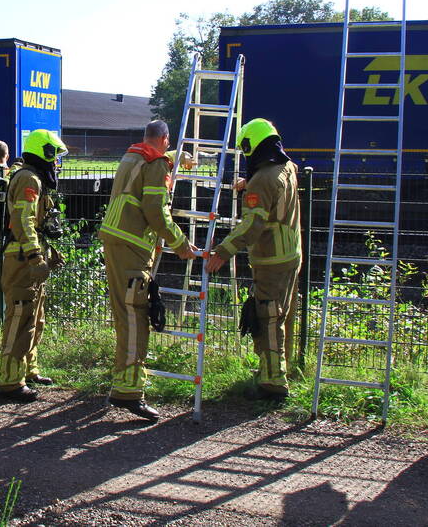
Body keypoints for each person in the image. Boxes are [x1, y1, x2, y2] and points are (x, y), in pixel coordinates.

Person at [100, 120, 197, 421]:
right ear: (165, 139)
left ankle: (123, 382)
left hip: (117, 241)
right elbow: (156, 211)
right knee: (135, 317)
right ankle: (128, 392)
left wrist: (178, 158)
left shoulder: (132, 156)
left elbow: (149, 169)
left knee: (124, 314)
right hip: (132, 247)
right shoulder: (156, 164)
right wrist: (180, 243)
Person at [205, 118, 301, 403]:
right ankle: (279, 368)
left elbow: (252, 226)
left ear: (253, 147)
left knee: (268, 316)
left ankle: (272, 383)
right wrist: (250, 183)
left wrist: (223, 251)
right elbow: (277, 185)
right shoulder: (287, 167)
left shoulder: (262, 180)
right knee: (283, 315)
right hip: (292, 253)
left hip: (271, 258)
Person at [0, 129, 68, 403]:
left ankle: (28, 370)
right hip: (22, 260)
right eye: (54, 156)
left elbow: (36, 224)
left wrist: (49, 252)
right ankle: (10, 380)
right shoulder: (28, 178)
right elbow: (23, 220)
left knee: (34, 318)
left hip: (29, 256)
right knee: (20, 317)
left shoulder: (34, 178)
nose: (56, 163)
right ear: (43, 153)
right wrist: (36, 257)